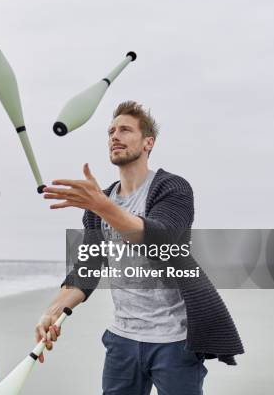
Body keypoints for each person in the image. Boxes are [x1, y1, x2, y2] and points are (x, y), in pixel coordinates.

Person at [36, 101, 243, 395]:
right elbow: (88, 269)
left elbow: (161, 238)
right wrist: (52, 311)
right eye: (110, 131)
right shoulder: (101, 202)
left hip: (175, 342)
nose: (114, 136)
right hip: (122, 340)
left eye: (124, 130)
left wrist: (103, 206)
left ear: (149, 142)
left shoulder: (173, 188)